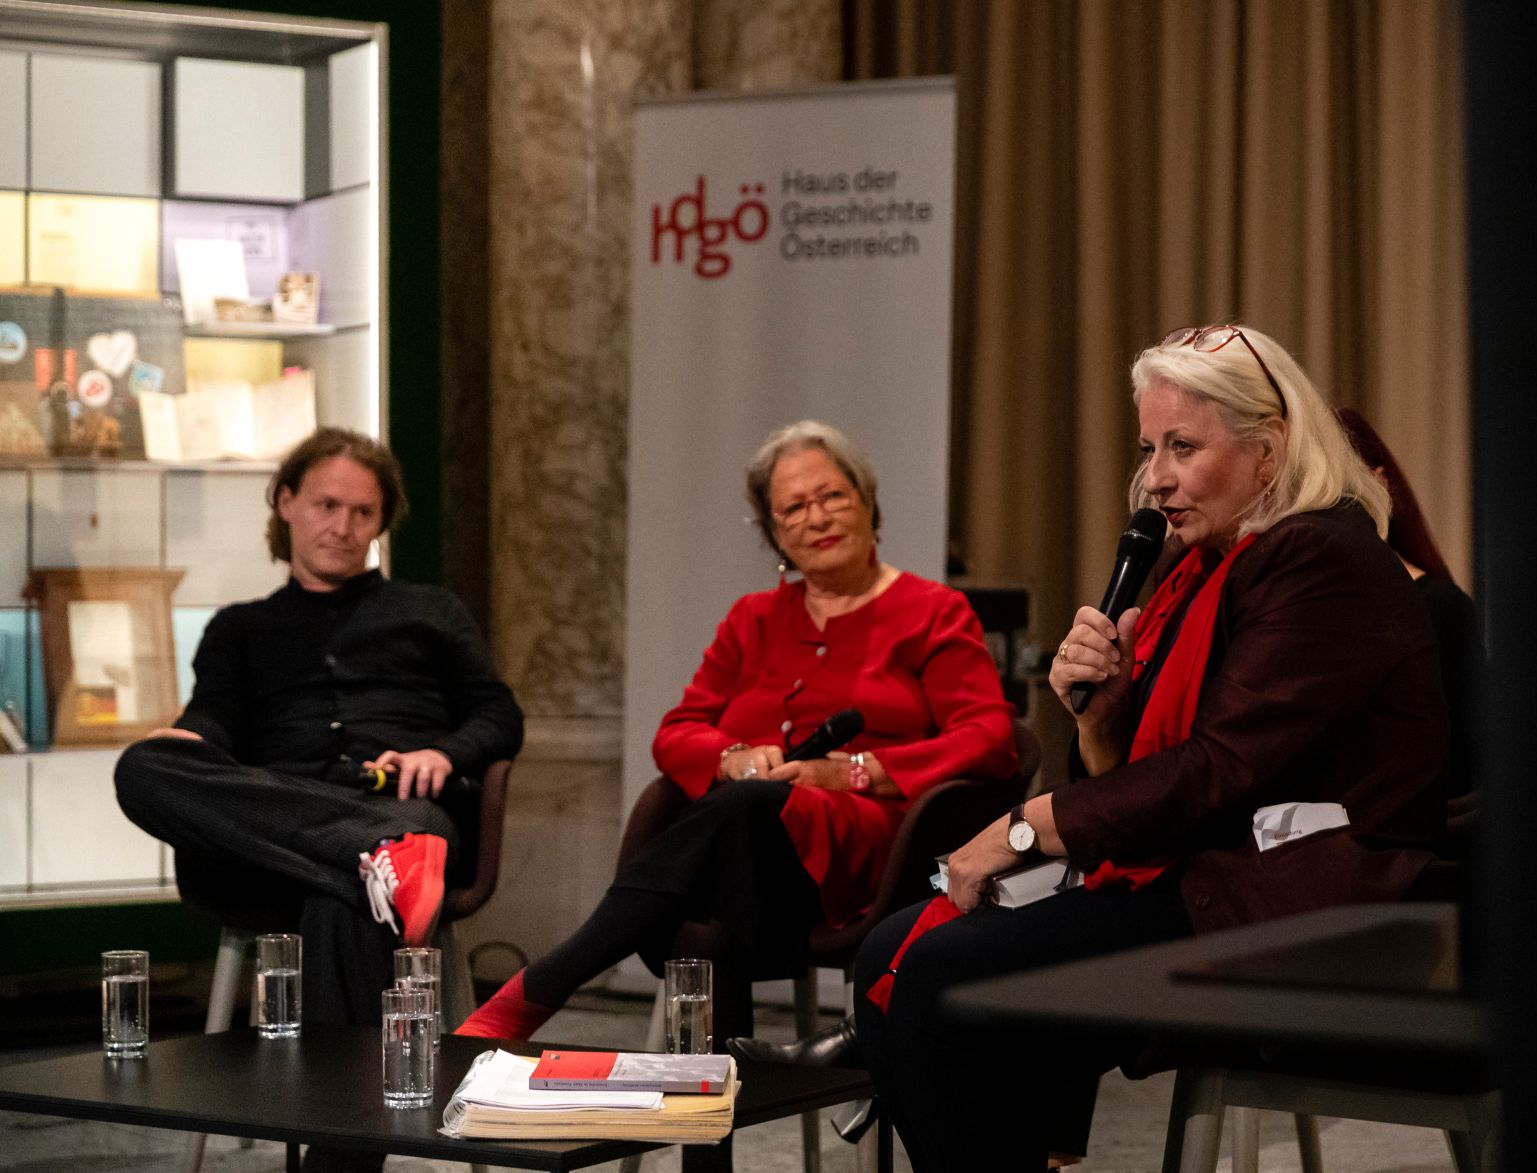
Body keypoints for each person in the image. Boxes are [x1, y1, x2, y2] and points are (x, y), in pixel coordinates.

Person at [850, 325, 1449, 1172]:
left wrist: (1020, 828)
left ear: (1269, 451)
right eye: (1147, 447)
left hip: (1299, 908)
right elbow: (1150, 779)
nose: (1155, 477)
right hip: (1204, 868)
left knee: (947, 975)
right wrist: (1100, 717)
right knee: (891, 953)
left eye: (1182, 447)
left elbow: (1218, 770)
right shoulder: (1202, 564)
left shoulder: (1321, 557)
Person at [458, 420, 1018, 1045]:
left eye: (833, 496)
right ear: (775, 533)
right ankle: (713, 1123)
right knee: (705, 928)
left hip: (865, 855)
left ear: (868, 504)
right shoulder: (752, 619)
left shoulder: (932, 612)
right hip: (752, 865)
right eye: (793, 509)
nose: (817, 517)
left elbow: (992, 737)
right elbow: (677, 733)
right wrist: (734, 758)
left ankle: (550, 980)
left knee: (742, 817)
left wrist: (856, 772)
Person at [114, 427, 524, 1026]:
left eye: (363, 512)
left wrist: (444, 751)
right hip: (293, 825)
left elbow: (499, 714)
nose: (343, 527)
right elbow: (214, 719)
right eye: (327, 506)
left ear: (381, 522)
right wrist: (190, 742)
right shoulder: (239, 629)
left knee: (356, 885)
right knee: (142, 766)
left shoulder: (432, 612)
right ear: (286, 504)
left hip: (407, 808)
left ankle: (329, 1104)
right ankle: (370, 851)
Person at [1335, 406, 1483, 796]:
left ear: (1379, 482)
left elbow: (1464, 772)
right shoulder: (1283, 615)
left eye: (1333, 485)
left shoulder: (1440, 609)